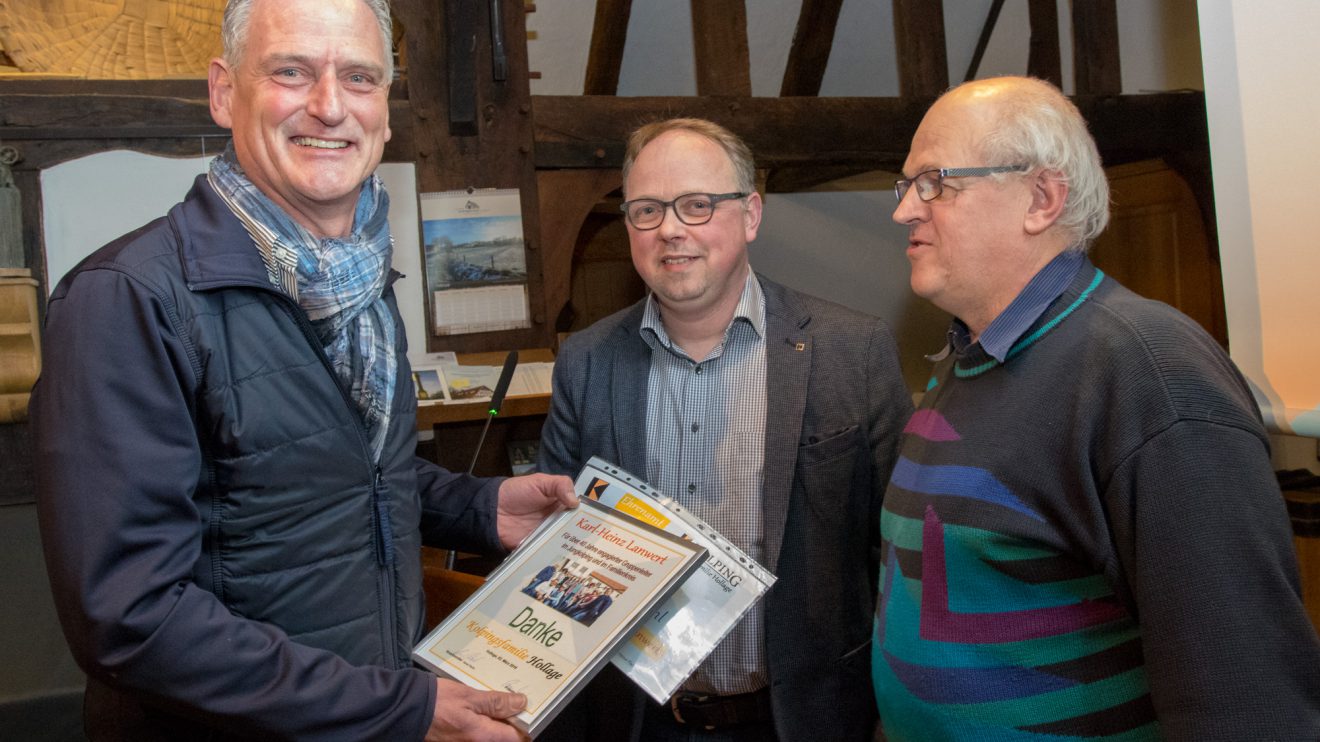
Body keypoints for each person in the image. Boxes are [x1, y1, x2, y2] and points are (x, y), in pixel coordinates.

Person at [30, 1, 578, 740]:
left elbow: (329, 478)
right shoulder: (127, 299)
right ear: (225, 92)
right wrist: (402, 711)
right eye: (292, 71)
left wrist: (483, 509)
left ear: (385, 109)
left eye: (359, 77)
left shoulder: (360, 277)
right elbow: (132, 619)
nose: (329, 106)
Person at [875, 75, 1320, 740]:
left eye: (934, 181)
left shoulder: (1147, 371)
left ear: (1041, 198)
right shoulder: (970, 358)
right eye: (907, 184)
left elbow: (1246, 697)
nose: (904, 209)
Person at [537, 117, 914, 741]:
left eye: (698, 205)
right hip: (636, 721)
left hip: (803, 720)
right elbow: (557, 542)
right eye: (647, 210)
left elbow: (899, 553)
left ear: (751, 215)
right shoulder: (587, 361)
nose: (671, 230)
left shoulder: (854, 350)